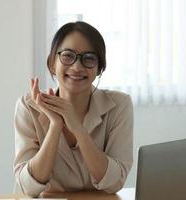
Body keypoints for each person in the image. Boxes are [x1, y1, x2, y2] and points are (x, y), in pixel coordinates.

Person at [13, 21, 133, 197]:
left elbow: (114, 183)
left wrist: (77, 128)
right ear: (52, 64)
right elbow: (28, 187)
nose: (77, 67)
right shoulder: (29, 106)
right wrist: (55, 125)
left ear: (99, 68)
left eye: (89, 58)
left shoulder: (119, 105)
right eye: (68, 56)